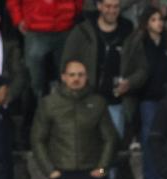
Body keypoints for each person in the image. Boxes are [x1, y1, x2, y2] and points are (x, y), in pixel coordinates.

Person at [61, 0, 143, 139]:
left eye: (116, 6)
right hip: (86, 101)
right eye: (108, 6)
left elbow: (142, 68)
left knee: (113, 147)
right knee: (85, 145)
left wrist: (129, 82)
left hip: (115, 103)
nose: (112, 10)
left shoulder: (129, 32)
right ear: (99, 6)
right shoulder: (82, 31)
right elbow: (66, 65)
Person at [30, 60, 118, 179]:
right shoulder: (48, 104)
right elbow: (37, 139)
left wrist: (101, 170)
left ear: (86, 77)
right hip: (60, 174)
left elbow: (110, 138)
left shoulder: (98, 102)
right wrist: (50, 171)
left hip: (93, 174)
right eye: (72, 75)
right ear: (63, 77)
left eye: (80, 75)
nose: (76, 78)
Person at [125, 6, 167, 179]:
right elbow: (133, 68)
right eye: (154, 19)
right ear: (146, 22)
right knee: (150, 138)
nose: (159, 23)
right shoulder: (139, 42)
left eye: (160, 19)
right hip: (147, 97)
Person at [7, 0, 81, 100]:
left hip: (65, 27)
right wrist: (18, 19)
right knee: (33, 80)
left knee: (68, 75)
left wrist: (74, 11)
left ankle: (66, 105)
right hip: (35, 29)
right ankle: (36, 107)